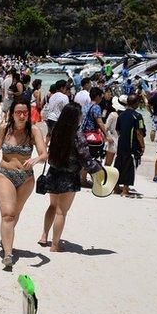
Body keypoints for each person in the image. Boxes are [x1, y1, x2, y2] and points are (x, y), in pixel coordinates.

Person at [0, 98, 48, 268]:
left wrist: (36, 159)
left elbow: (43, 154)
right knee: (8, 214)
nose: (22, 115)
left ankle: (5, 239)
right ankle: (8, 254)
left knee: (15, 214)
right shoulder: (5, 128)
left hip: (26, 178)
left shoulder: (33, 130)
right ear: (12, 113)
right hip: (5, 174)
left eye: (25, 112)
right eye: (18, 112)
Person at [39, 102, 104, 251]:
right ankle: (55, 245)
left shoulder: (56, 131)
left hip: (53, 172)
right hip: (69, 177)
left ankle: (44, 236)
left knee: (52, 206)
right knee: (62, 212)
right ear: (76, 117)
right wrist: (100, 171)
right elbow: (86, 159)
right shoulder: (78, 136)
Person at [113, 94, 146, 197]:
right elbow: (139, 133)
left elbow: (117, 130)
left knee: (118, 165)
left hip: (121, 145)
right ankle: (125, 190)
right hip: (131, 146)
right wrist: (143, 146)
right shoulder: (138, 116)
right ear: (136, 103)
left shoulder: (121, 115)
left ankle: (116, 187)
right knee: (129, 167)